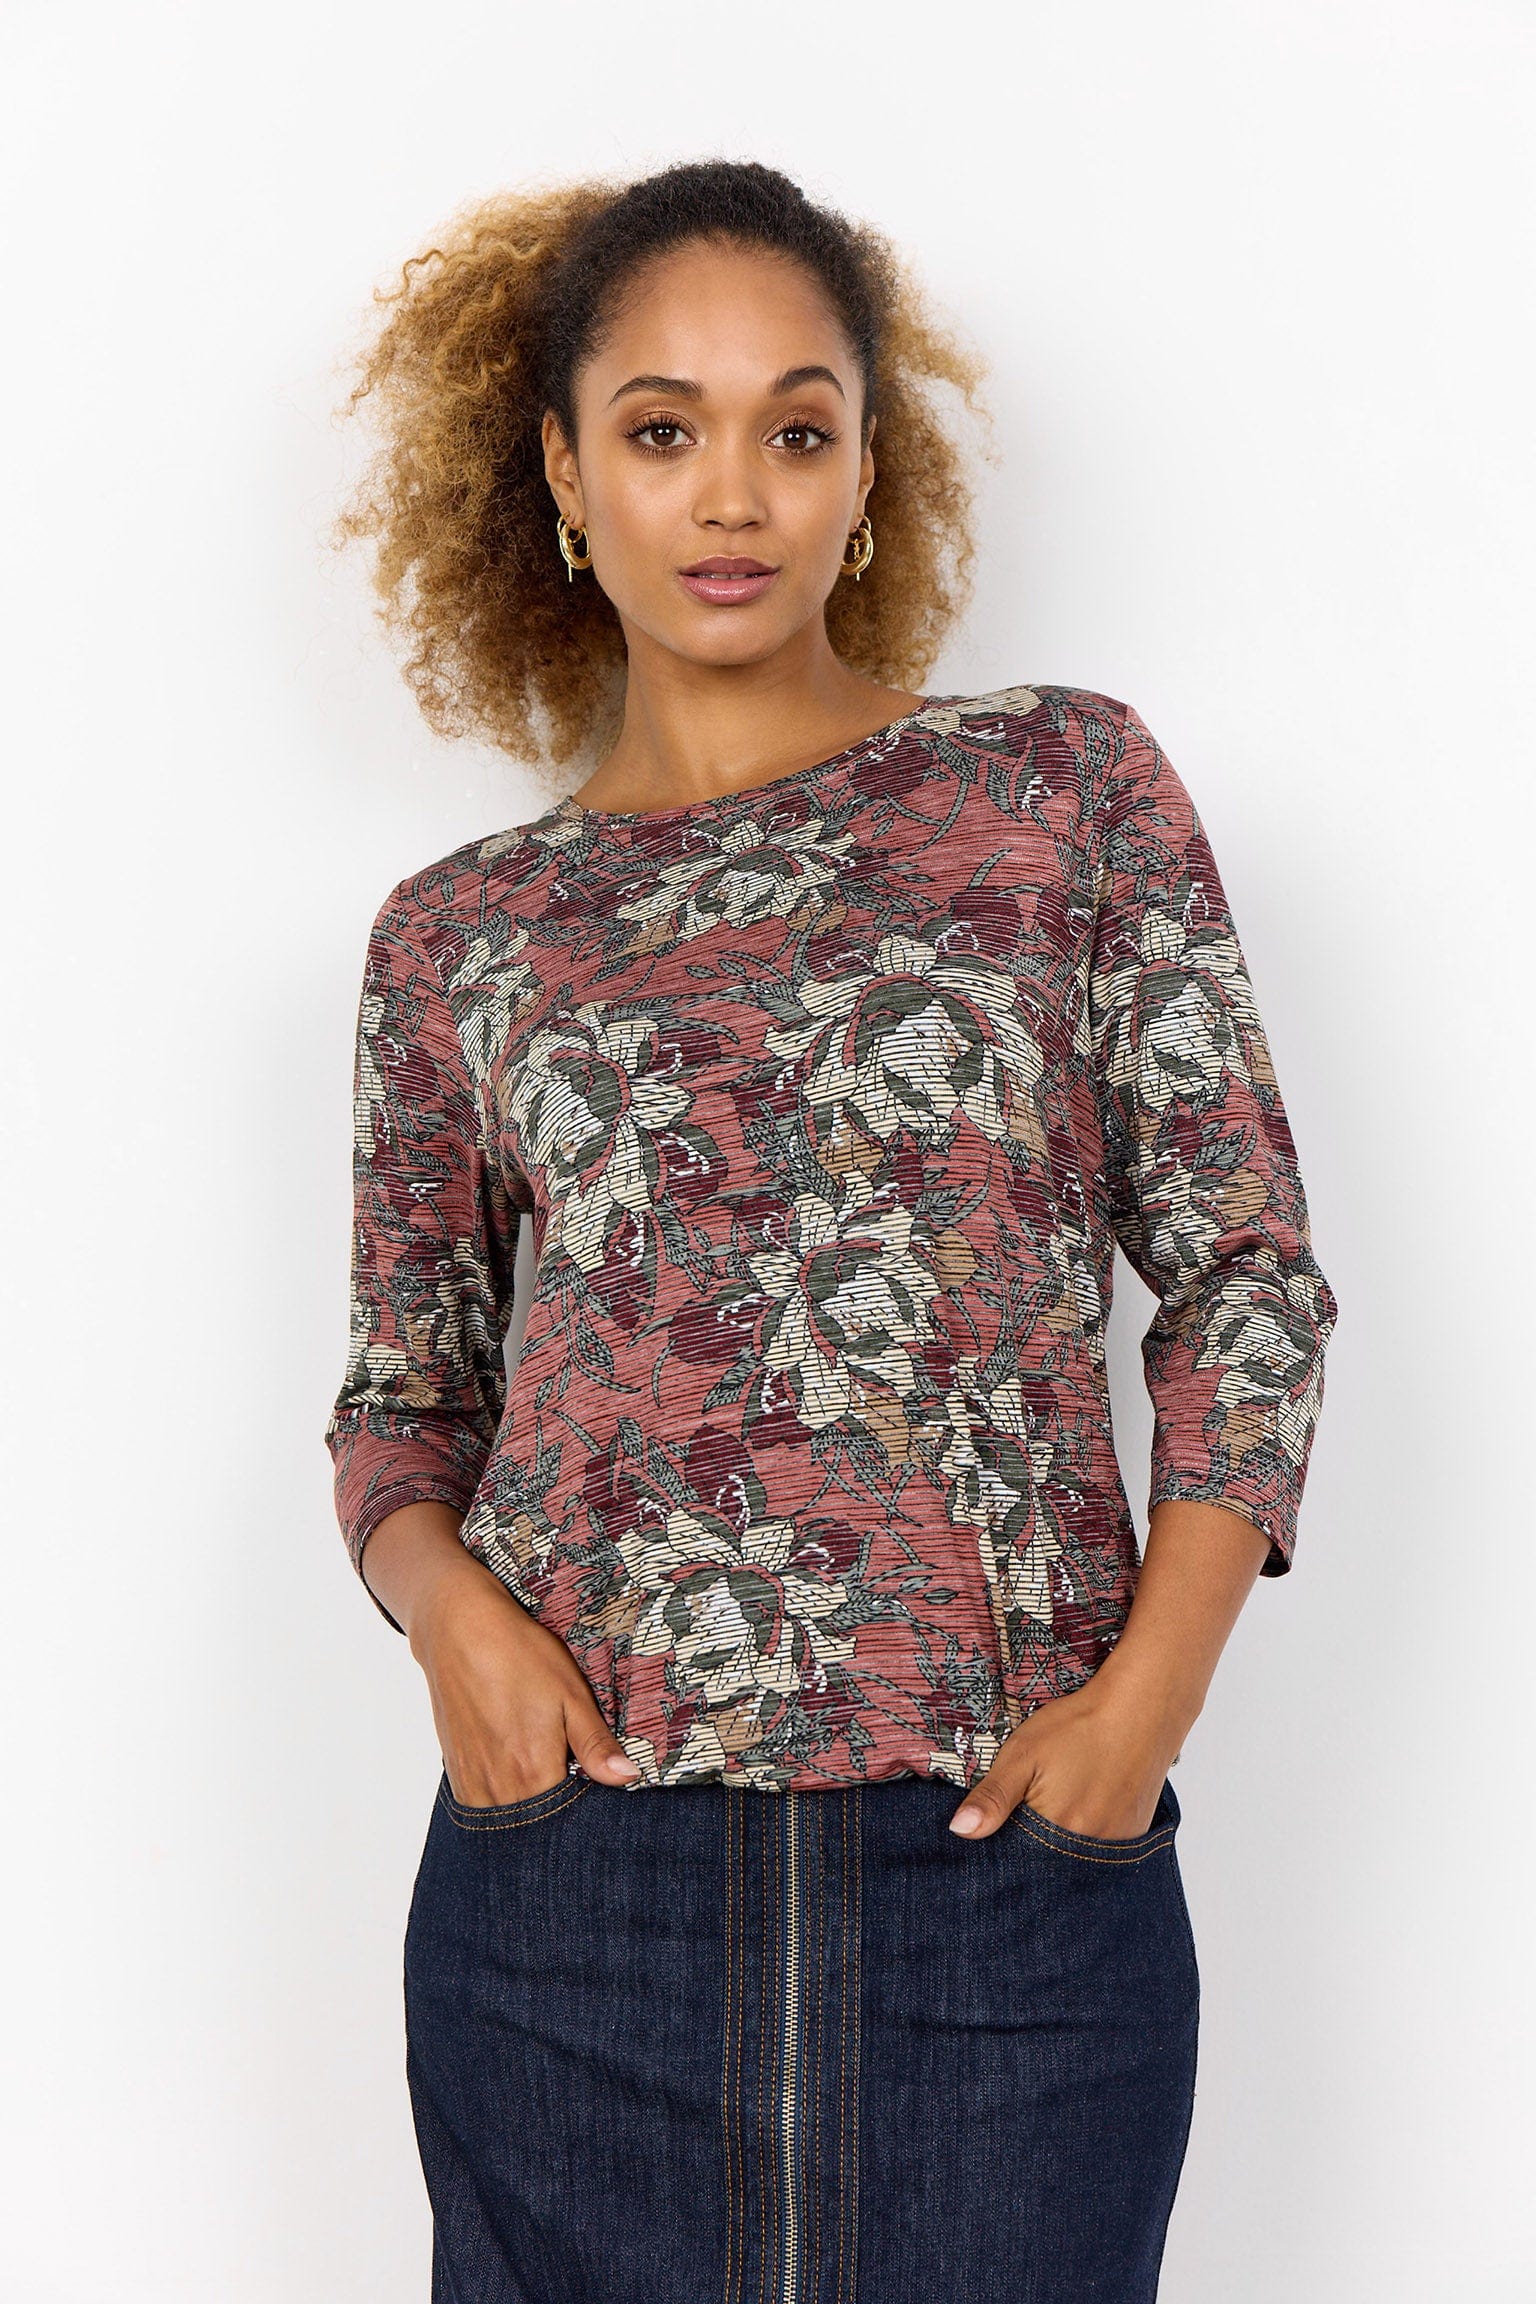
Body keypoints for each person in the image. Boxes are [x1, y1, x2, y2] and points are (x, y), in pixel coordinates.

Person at [321, 157, 1339, 2304]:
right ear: (563, 477)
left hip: (1005, 1883)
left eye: (797, 429)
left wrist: (1146, 1706)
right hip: (573, 1896)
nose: (733, 496)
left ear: (868, 473)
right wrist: (452, 1628)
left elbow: (1246, 1274)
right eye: (661, 430)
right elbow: (405, 1400)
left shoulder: (1061, 791)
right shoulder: (461, 939)